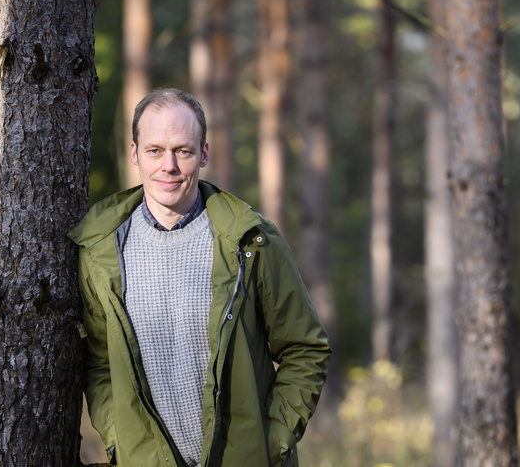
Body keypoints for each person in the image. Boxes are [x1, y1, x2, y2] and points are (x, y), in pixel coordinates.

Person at [69, 88, 331, 467]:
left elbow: (306, 348)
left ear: (203, 154)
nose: (169, 166)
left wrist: (270, 444)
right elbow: (98, 363)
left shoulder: (252, 241)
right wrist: (117, 441)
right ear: (134, 154)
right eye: (155, 150)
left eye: (183, 151)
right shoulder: (99, 251)